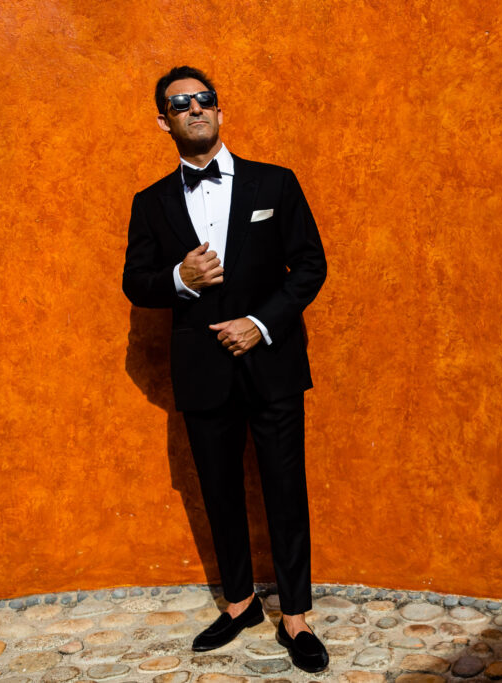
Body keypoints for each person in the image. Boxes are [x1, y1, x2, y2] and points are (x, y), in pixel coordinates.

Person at [122, 65, 328, 673]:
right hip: (201, 371)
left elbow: (311, 265)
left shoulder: (276, 184)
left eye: (203, 99)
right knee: (218, 490)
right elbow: (136, 283)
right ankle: (240, 604)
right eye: (179, 103)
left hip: (272, 364)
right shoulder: (150, 203)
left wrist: (259, 324)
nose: (193, 108)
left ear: (220, 110)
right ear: (164, 120)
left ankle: (296, 616)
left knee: (285, 489)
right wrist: (179, 280)